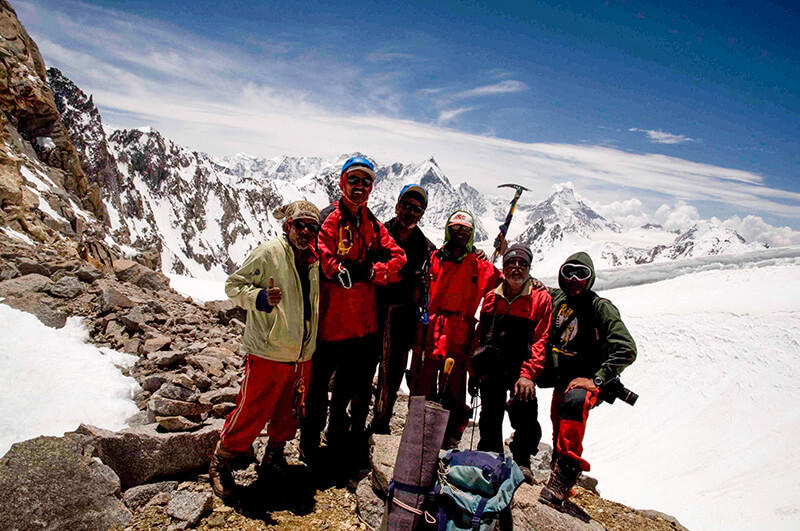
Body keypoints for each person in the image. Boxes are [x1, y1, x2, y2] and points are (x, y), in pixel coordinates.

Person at [209, 200, 322, 500]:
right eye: (300, 225)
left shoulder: (314, 259)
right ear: (288, 226)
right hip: (269, 350)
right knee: (253, 409)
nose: (306, 231)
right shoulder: (268, 252)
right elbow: (233, 286)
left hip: (300, 354)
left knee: (289, 411)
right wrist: (259, 297)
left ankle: (274, 455)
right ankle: (222, 460)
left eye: (313, 227)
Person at [300, 156, 406, 464]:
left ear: (372, 187)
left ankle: (335, 441)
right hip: (331, 322)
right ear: (341, 182)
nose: (359, 187)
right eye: (354, 180)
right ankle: (309, 442)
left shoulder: (371, 222)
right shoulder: (331, 218)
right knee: (319, 386)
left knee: (346, 386)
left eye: (365, 182)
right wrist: (338, 270)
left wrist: (374, 272)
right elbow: (320, 251)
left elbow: (398, 257)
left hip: (360, 323)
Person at [539, 251, 637, 507]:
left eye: (581, 274)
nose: (574, 279)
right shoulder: (558, 298)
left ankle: (566, 474)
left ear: (590, 278)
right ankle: (557, 475)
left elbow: (626, 348)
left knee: (574, 404)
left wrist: (597, 380)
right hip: (563, 378)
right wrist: (506, 251)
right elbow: (532, 282)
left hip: (585, 383)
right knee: (559, 424)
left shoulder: (599, 307)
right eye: (568, 272)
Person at [410, 210, 503, 449]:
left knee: (455, 385)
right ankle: (419, 429)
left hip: (460, 331)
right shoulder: (434, 259)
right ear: (447, 231)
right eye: (455, 229)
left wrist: (505, 254)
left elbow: (507, 284)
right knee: (424, 379)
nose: (460, 233)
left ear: (471, 233)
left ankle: (451, 434)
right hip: (432, 328)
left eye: (465, 230)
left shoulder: (481, 265)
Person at [471, 243, 552, 483]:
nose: (516, 268)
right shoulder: (490, 298)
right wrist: (475, 370)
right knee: (489, 415)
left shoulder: (540, 299)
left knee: (524, 411)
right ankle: (490, 455)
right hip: (493, 364)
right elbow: (480, 336)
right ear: (503, 267)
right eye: (511, 263)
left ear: (529, 268)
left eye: (522, 264)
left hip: (521, 368)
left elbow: (541, 339)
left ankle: (523, 458)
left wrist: (528, 374)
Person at [367, 184, 435, 434]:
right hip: (372, 311)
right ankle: (357, 418)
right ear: (397, 206)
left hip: (404, 317)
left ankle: (381, 420)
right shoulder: (378, 235)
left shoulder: (426, 248)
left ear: (422, 214)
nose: (410, 212)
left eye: (416, 208)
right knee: (364, 367)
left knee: (393, 372)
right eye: (406, 205)